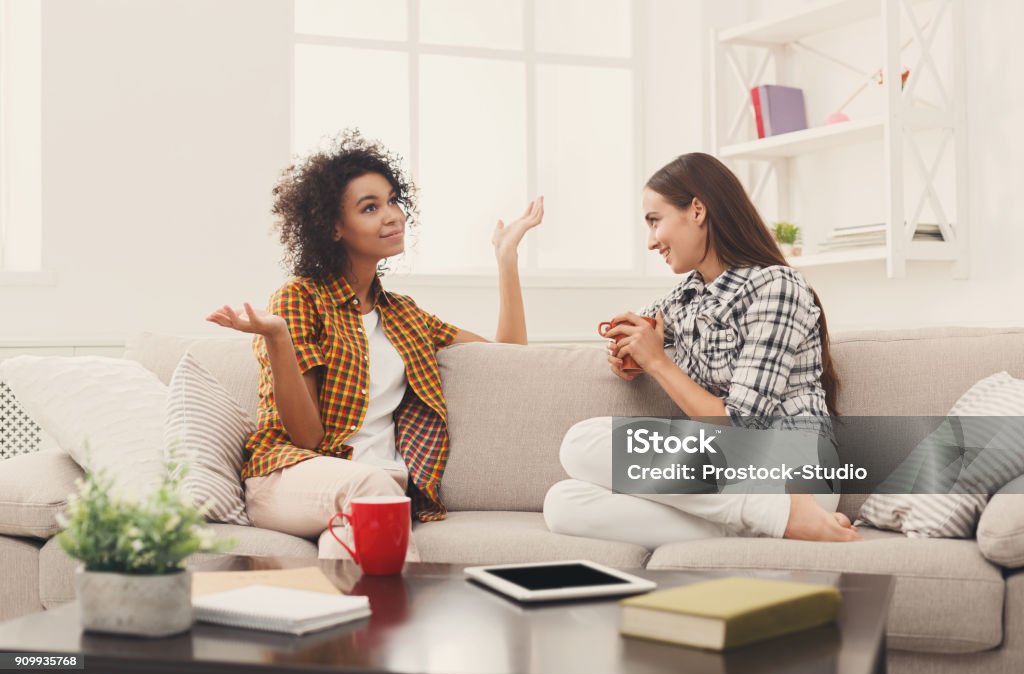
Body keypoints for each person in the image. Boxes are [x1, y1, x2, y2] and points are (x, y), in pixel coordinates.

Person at [207, 130, 543, 559]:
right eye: (370, 208)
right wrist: (277, 339)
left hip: (378, 486)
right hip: (293, 477)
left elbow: (508, 359)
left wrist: (506, 259)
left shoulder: (405, 315)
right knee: (373, 497)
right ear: (333, 227)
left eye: (391, 200)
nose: (392, 216)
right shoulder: (300, 298)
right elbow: (307, 436)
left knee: (350, 557)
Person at [542, 152, 861, 548]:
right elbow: (643, 326)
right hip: (732, 483)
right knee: (563, 504)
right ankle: (773, 521)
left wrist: (658, 363)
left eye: (655, 221)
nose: (651, 240)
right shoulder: (688, 296)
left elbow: (744, 429)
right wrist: (627, 351)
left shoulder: (777, 286)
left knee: (579, 441)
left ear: (696, 210)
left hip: (793, 467)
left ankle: (781, 512)